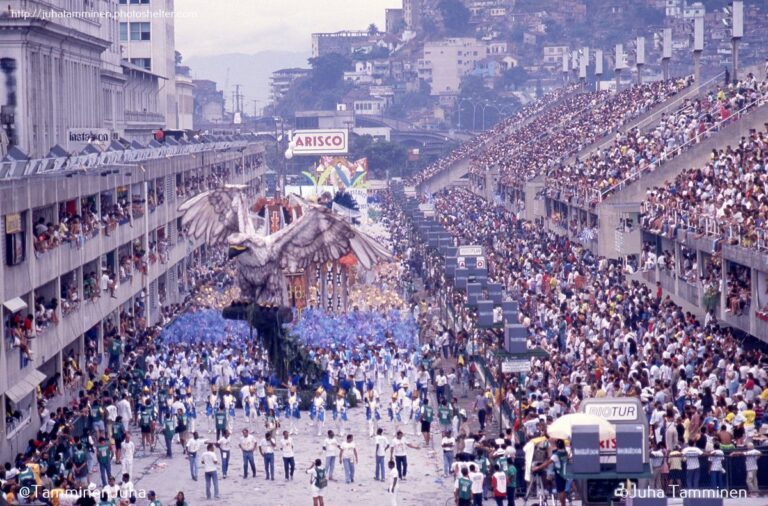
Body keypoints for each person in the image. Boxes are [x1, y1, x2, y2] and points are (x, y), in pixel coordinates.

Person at [532, 439, 568, 506]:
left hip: (559, 474)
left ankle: (563, 504)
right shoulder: (565, 453)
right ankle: (564, 504)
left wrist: (538, 467)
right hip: (565, 472)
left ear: (557, 446)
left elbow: (547, 463)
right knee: (563, 490)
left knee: (561, 490)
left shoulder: (556, 455)